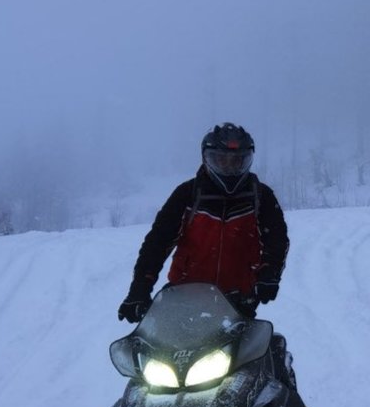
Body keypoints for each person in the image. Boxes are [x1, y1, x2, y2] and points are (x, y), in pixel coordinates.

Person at [118, 123, 289, 323]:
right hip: (183, 296)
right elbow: (157, 242)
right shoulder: (187, 194)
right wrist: (139, 288)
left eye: (237, 162)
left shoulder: (260, 196)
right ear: (207, 159)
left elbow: (276, 239)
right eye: (221, 161)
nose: (229, 168)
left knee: (261, 342)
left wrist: (269, 273)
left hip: (238, 300)